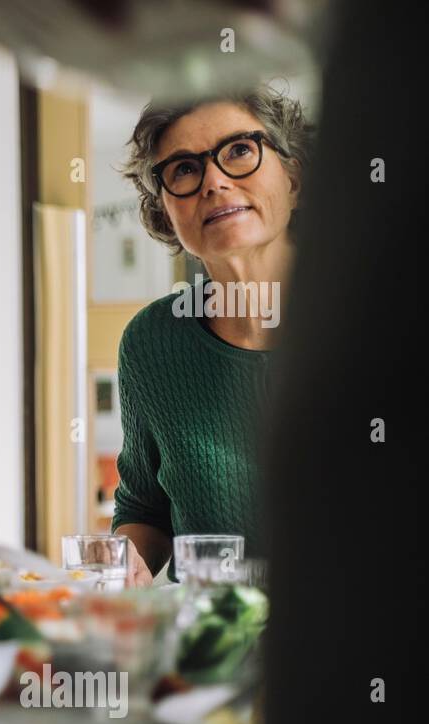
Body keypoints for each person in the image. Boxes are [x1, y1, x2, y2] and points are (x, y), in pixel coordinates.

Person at [111, 85, 314, 583]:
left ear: (294, 177)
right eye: (184, 168)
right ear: (164, 212)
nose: (214, 182)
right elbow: (145, 507)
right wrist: (119, 568)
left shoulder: (376, 318)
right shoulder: (152, 342)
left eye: (240, 150)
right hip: (210, 647)